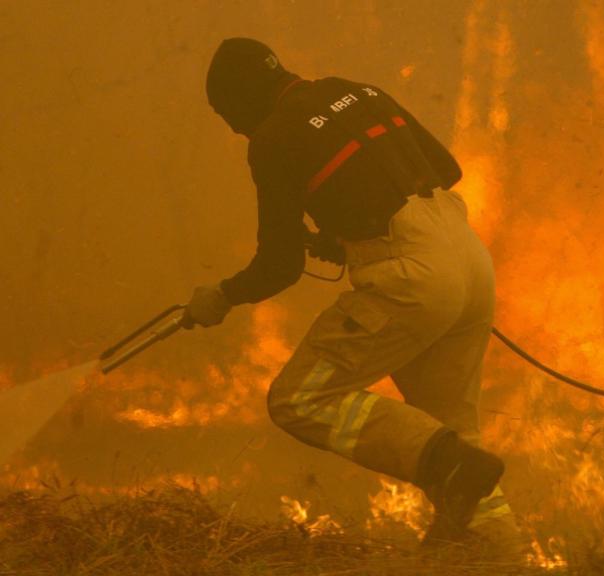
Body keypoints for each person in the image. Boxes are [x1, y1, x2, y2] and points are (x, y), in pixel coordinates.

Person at [184, 37, 517, 546]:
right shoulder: (354, 90)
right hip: (469, 260)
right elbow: (447, 170)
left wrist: (223, 296)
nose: (232, 127)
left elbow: (279, 265)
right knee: (450, 427)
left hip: (411, 278)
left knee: (299, 399)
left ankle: (447, 466)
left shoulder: (272, 137)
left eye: (226, 111)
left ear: (242, 96)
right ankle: (494, 550)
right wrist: (350, 233)